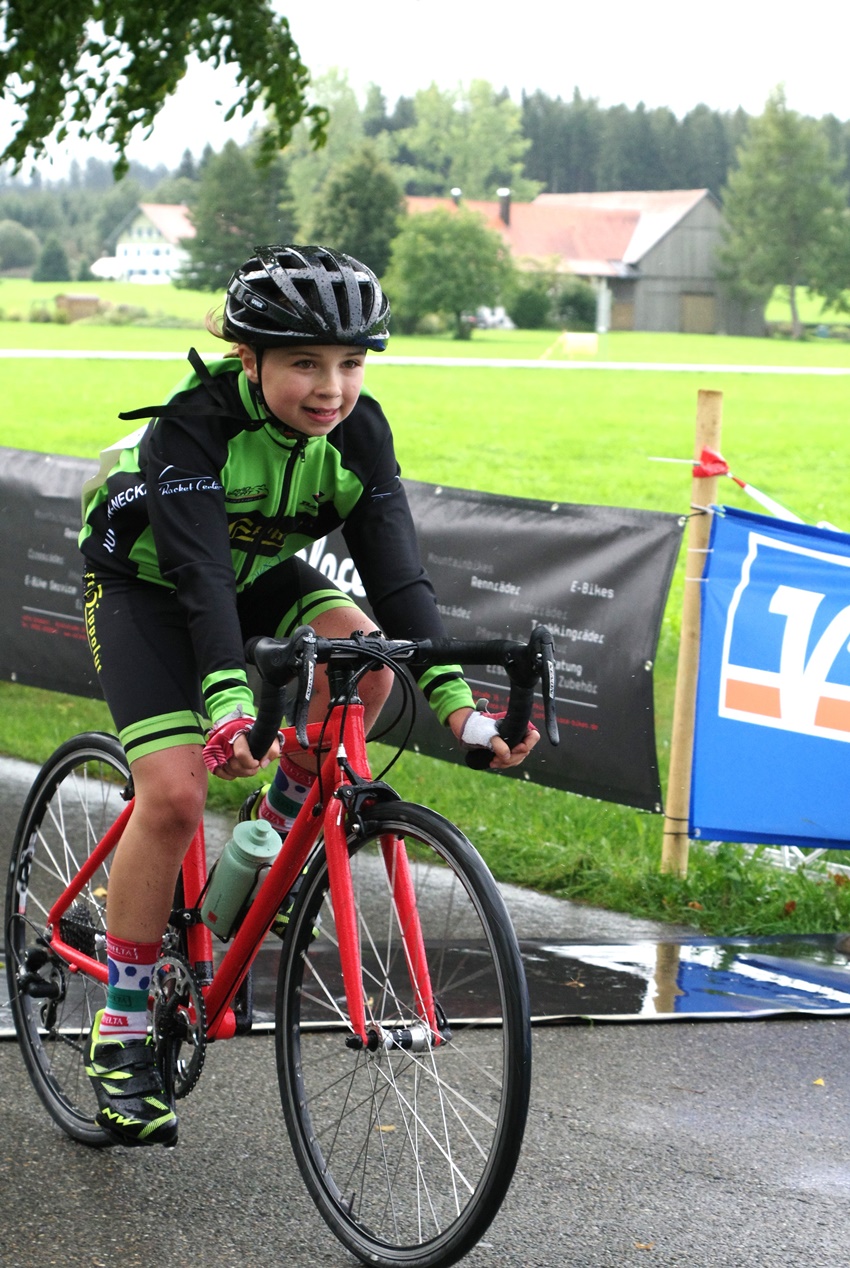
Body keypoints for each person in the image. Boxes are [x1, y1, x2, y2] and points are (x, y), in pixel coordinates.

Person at [78, 244, 538, 1148]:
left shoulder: (359, 435)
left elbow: (399, 580)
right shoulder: (194, 426)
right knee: (173, 799)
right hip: (148, 584)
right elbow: (200, 578)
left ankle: (280, 834)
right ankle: (122, 1030)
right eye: (304, 363)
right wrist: (227, 704)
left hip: (253, 575)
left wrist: (461, 709)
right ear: (247, 360)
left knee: (369, 660)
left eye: (351, 363)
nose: (332, 389)